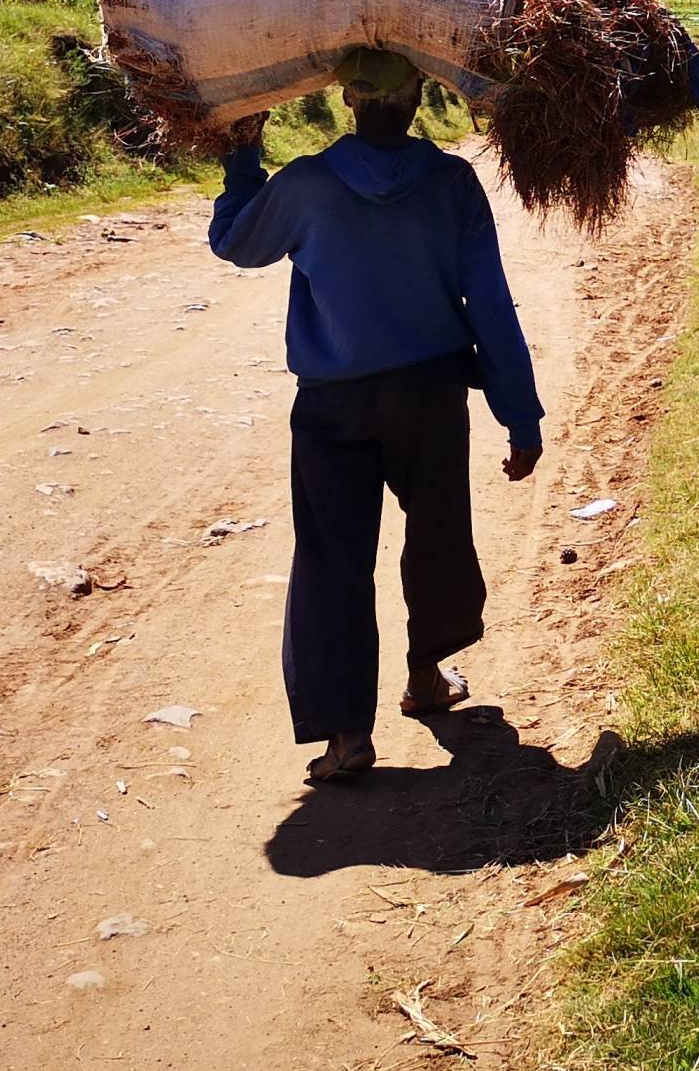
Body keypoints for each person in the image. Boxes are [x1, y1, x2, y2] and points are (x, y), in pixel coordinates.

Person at [208, 47, 542, 784]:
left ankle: (346, 735)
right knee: (438, 533)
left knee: (332, 555)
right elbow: (489, 305)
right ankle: (426, 678)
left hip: (331, 402)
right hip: (429, 395)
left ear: (348, 101)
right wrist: (520, 418)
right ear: (418, 98)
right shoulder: (452, 184)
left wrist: (241, 161)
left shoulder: (306, 185)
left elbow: (234, 242)